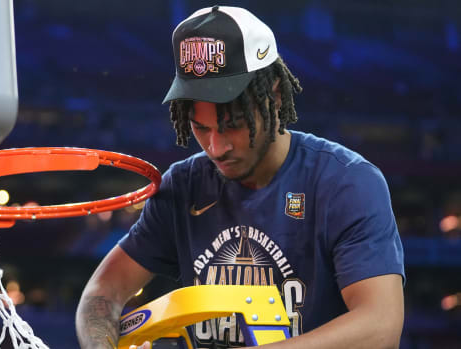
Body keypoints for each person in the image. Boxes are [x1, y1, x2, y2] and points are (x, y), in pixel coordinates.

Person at [76, 5, 405, 349]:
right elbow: (102, 293)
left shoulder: (347, 182)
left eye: (233, 124)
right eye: (200, 128)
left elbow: (380, 326)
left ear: (275, 96)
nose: (216, 148)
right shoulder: (184, 185)